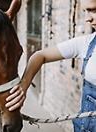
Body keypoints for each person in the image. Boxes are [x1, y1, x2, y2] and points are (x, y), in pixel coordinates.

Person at [5, 0, 96, 131]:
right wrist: (24, 85)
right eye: (85, 11)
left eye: (94, 10)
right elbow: (39, 56)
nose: (88, 18)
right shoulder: (86, 43)